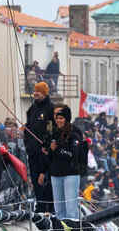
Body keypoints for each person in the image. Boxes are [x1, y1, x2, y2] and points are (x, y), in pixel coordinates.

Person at [45, 105, 86, 220]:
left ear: (67, 119)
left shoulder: (74, 133)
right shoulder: (54, 133)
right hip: (56, 174)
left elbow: (73, 154)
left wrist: (56, 149)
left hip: (70, 174)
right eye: (57, 118)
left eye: (61, 118)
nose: (58, 120)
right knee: (59, 209)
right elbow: (51, 155)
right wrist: (48, 150)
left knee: (71, 208)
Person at [24, 80, 54, 213]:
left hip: (44, 152)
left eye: (38, 92)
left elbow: (51, 130)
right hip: (33, 152)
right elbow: (28, 127)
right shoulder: (33, 108)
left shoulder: (50, 109)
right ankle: (40, 206)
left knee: (45, 181)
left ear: (44, 93)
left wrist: (46, 144)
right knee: (36, 181)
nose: (35, 93)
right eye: (35, 91)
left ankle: (48, 207)